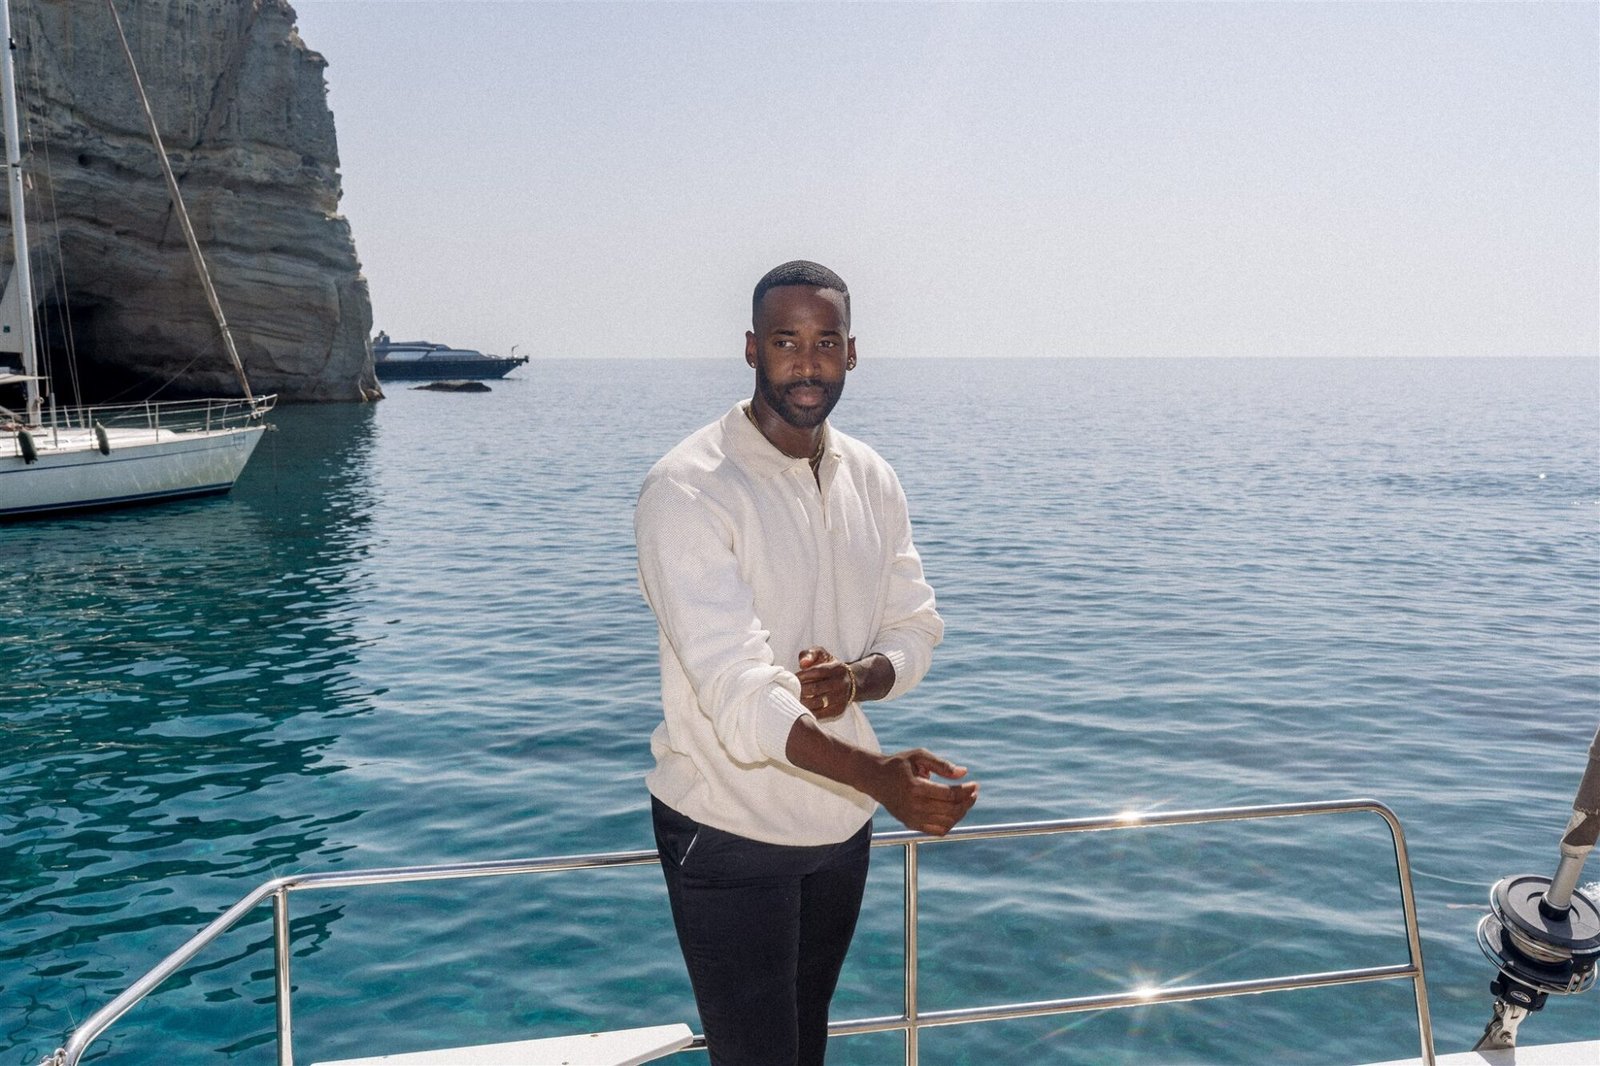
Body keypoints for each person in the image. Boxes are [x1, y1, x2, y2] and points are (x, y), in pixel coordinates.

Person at [634, 260, 979, 1065]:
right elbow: (738, 692)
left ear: (851, 354)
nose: (807, 361)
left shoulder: (872, 476)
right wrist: (880, 777)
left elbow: (916, 627)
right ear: (752, 348)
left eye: (825, 342)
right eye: (786, 341)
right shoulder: (687, 490)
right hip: (727, 828)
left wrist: (860, 680)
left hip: (839, 830)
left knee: (806, 1049)